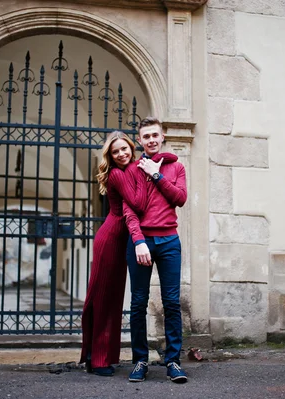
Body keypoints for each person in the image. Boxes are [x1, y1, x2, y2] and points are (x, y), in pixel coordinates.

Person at [79, 131, 177, 376]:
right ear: (110, 156)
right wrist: (146, 174)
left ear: (132, 148)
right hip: (111, 238)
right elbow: (139, 203)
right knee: (102, 296)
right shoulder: (117, 174)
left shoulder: (134, 167)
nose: (121, 154)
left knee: (113, 298)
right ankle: (96, 359)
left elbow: (166, 158)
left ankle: (100, 355)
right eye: (115, 151)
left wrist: (155, 162)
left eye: (124, 149)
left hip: (125, 238)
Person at [123, 117, 188, 383]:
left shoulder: (176, 167)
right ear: (140, 140)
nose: (150, 140)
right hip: (142, 242)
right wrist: (138, 240)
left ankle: (173, 361)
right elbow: (129, 209)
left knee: (172, 302)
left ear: (162, 137)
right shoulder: (132, 170)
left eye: (154, 135)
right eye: (145, 136)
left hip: (169, 241)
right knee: (138, 303)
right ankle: (140, 360)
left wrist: (156, 175)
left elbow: (180, 199)